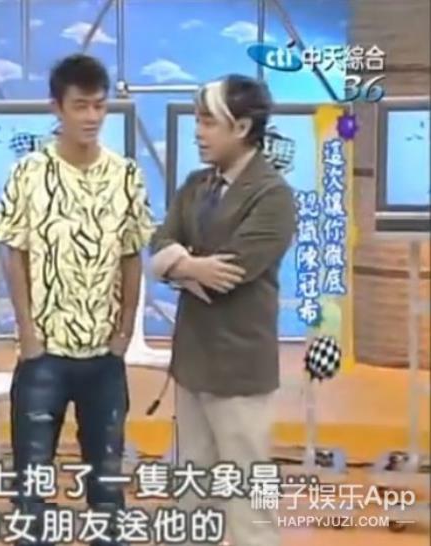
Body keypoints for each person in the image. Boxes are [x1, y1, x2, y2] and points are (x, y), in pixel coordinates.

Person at [0, 54, 155, 544]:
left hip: (104, 355)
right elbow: (15, 254)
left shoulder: (125, 175)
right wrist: (27, 333)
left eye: (99, 106)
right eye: (80, 106)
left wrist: (125, 332)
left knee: (107, 483)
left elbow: (132, 254)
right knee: (32, 483)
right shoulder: (28, 173)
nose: (91, 117)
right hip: (43, 353)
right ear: (56, 107)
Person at [150, 75, 296, 546]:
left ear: (243, 127)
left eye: (209, 122)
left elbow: (230, 273)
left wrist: (176, 266)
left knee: (249, 497)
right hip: (192, 360)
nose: (198, 132)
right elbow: (159, 242)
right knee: (193, 490)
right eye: (198, 120)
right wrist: (188, 265)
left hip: (239, 366)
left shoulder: (272, 194)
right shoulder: (196, 185)